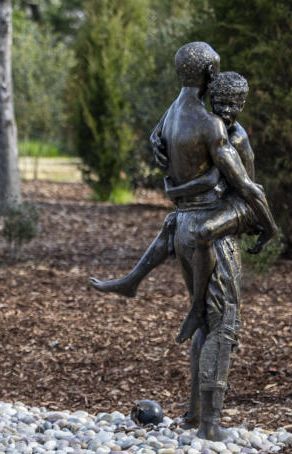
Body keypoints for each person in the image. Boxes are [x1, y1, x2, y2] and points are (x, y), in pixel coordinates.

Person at [96, 43, 273, 440]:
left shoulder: (170, 116)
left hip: (181, 224)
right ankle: (210, 423)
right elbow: (244, 186)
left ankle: (194, 413)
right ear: (211, 72)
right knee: (223, 323)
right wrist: (268, 224)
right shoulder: (212, 124)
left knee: (202, 321)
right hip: (211, 224)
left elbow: (161, 150)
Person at [90, 71, 276, 332]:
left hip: (244, 205)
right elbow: (178, 104)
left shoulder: (233, 137)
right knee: (171, 224)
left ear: (242, 105)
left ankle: (198, 308)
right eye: (219, 103)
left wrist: (269, 229)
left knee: (204, 232)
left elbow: (223, 184)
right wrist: (156, 133)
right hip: (229, 200)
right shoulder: (214, 128)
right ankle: (132, 281)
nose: (225, 110)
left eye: (232, 105)